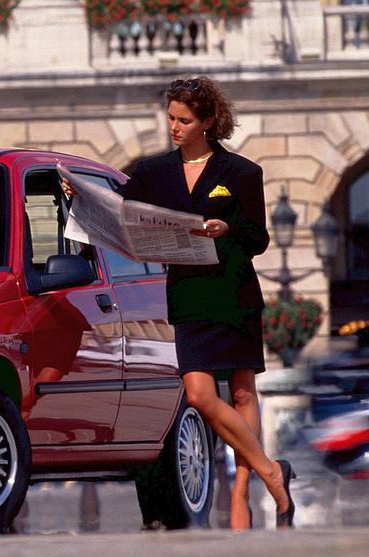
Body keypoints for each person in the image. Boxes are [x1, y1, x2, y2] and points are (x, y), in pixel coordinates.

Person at [63, 75, 295, 529]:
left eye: (183, 120)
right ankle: (272, 471)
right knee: (200, 395)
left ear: (207, 122)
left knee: (242, 391)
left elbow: (259, 238)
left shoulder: (242, 172)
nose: (173, 126)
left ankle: (241, 493)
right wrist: (82, 198)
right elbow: (121, 212)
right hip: (187, 294)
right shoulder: (152, 172)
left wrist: (227, 229)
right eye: (170, 117)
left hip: (233, 293)